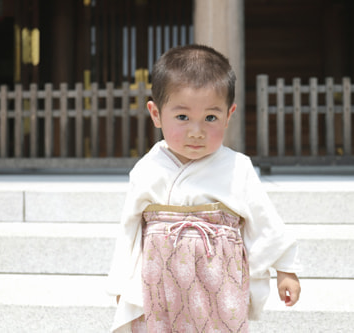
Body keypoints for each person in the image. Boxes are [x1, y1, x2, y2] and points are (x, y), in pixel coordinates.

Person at [106, 44, 301, 332]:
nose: (196, 131)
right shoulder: (146, 170)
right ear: (156, 114)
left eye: (210, 118)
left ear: (229, 114)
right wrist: (123, 283)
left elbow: (266, 222)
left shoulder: (238, 168)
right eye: (182, 117)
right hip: (159, 279)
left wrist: (286, 270)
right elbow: (129, 232)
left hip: (218, 277)